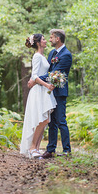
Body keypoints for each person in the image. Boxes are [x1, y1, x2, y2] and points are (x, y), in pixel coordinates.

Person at [28, 29, 72, 158]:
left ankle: (66, 150)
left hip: (59, 92)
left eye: (51, 37)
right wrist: (38, 80)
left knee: (61, 121)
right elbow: (49, 70)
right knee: (51, 122)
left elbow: (54, 74)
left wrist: (35, 80)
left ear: (57, 39)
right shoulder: (52, 53)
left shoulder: (66, 54)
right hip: (48, 92)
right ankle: (50, 149)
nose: (49, 39)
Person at [20, 33, 57, 158]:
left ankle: (36, 148)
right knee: (42, 119)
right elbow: (34, 76)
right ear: (38, 43)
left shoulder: (42, 56)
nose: (46, 41)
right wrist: (47, 85)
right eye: (44, 39)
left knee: (44, 120)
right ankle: (32, 147)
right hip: (39, 90)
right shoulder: (36, 56)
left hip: (44, 91)